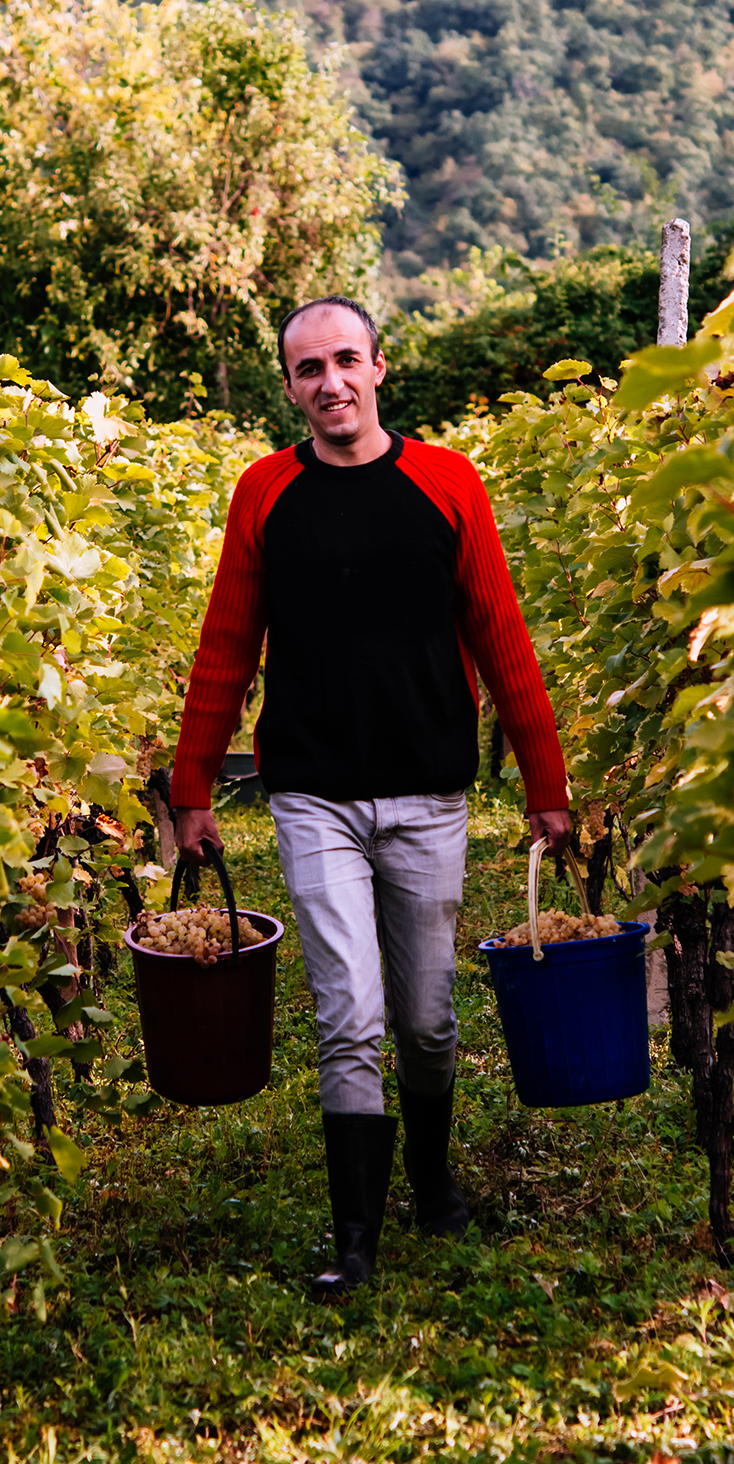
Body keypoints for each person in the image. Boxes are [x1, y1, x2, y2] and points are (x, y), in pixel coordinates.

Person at [168, 296, 573, 1297]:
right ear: (291, 386)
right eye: (309, 369)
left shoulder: (446, 484)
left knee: (428, 1018)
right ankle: (356, 1238)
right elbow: (227, 645)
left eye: (346, 360)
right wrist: (193, 786)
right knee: (348, 1011)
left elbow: (500, 636)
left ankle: (432, 1181)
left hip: (431, 793)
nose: (330, 383)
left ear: (381, 367)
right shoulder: (265, 493)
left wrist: (545, 784)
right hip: (313, 796)